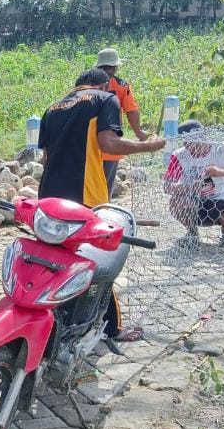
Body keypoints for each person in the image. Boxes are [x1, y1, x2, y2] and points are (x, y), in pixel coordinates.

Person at [37, 67, 166, 341]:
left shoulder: (52, 108)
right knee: (97, 263)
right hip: (86, 197)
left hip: (49, 199)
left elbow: (46, 158)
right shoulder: (106, 99)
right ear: (106, 84)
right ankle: (112, 328)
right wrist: (149, 146)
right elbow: (109, 143)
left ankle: (53, 321)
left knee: (53, 260)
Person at [165, 119, 224, 248]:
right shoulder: (179, 156)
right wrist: (189, 188)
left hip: (223, 199)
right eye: (188, 142)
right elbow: (167, 186)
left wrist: (222, 172)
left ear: (205, 137)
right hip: (194, 202)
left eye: (197, 140)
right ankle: (192, 233)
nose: (193, 146)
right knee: (176, 202)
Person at [96, 48, 149, 194]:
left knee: (86, 185)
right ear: (115, 67)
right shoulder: (121, 85)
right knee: (105, 187)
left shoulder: (85, 83)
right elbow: (131, 111)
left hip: (87, 144)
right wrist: (139, 132)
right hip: (111, 143)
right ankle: (102, 211)